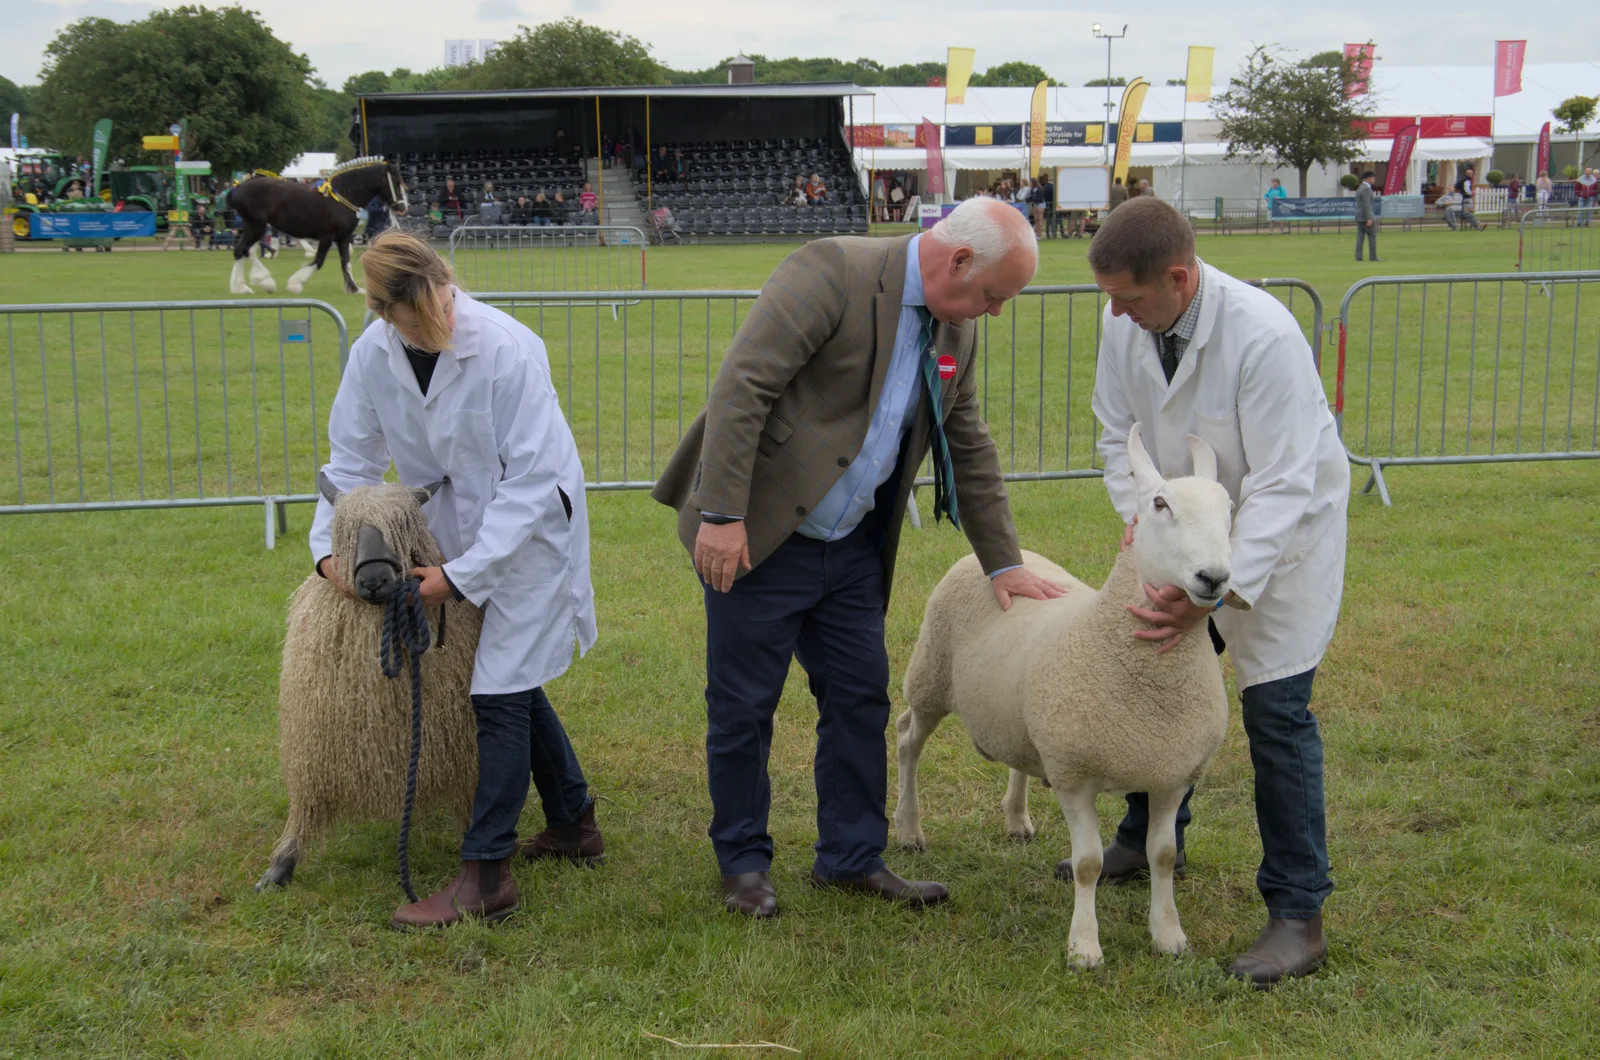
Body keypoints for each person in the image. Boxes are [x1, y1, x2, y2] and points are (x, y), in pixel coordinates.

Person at [651, 198, 1066, 920]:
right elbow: (743, 386)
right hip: (759, 535)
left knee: (860, 697)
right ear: (960, 261)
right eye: (994, 295)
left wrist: (1004, 563)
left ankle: (849, 857)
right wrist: (721, 514)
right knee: (744, 706)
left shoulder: (956, 332)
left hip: (851, 545)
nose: (995, 312)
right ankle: (744, 863)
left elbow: (967, 443)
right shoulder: (832, 271)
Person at [1085, 196, 1349, 987]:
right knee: (1157, 683)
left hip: (1279, 542)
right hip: (1181, 539)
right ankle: (1146, 832)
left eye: (1129, 298)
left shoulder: (1263, 335)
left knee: (1275, 713)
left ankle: (1299, 914)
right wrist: (1150, 527)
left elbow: (1282, 482)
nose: (1115, 313)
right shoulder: (1124, 322)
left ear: (1178, 276)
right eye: (1109, 298)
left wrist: (1215, 594)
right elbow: (1114, 437)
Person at [312, 232, 603, 930]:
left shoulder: (505, 348)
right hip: (452, 534)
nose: (440, 314)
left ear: (446, 279)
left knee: (497, 691)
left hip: (532, 536)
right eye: (416, 310)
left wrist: (463, 575)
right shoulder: (371, 357)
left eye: (442, 294)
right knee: (510, 674)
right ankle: (573, 823)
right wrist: (330, 553)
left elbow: (533, 477)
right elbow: (349, 459)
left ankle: (486, 874)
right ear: (383, 310)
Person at [1354, 170, 1379, 261]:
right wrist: (1369, 217)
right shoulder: (1366, 189)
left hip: (1359, 216)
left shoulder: (1360, 188)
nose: (1374, 179)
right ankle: (1373, 256)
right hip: (1366, 216)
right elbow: (1366, 204)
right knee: (1372, 236)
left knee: (1360, 237)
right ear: (1368, 178)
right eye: (1373, 178)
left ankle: (1358, 257)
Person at [1037, 173, 1057, 239]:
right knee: (1052, 220)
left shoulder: (1044, 186)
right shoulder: (1052, 188)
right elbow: (1054, 197)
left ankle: (1047, 232)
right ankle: (1052, 233)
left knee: (1048, 220)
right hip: (1051, 205)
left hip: (1046, 204)